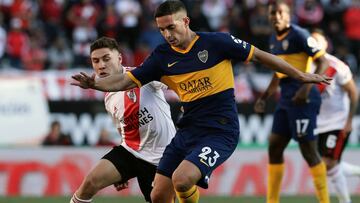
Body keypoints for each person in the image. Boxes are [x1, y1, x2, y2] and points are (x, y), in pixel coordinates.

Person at [71, 1, 331, 203]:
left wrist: (299, 74)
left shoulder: (218, 42)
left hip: (220, 129)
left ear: (185, 21)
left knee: (182, 180)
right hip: (188, 130)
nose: (167, 34)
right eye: (161, 29)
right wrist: (93, 84)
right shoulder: (162, 57)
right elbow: (125, 81)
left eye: (171, 27)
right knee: (158, 195)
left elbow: (262, 56)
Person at [70, 37, 176, 203]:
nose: (101, 65)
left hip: (163, 158)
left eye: (106, 59)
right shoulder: (108, 98)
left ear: (119, 59)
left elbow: (172, 82)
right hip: (131, 151)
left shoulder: (143, 75)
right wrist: (122, 172)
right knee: (89, 183)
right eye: (95, 61)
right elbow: (123, 130)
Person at [254, 1, 331, 203]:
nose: (276, 16)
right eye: (273, 13)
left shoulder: (299, 34)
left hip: (303, 97)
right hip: (286, 97)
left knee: (309, 151)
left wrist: (306, 89)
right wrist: (264, 97)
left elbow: (323, 61)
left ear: (288, 16)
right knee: (274, 146)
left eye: (280, 13)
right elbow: (278, 73)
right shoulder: (273, 39)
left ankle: (325, 201)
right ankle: (272, 201)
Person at [312, 30, 360, 203]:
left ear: (326, 43)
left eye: (318, 40)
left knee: (328, 163)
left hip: (337, 122)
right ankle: (356, 171)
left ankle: (345, 201)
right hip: (318, 124)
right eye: (312, 40)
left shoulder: (337, 66)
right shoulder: (307, 66)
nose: (315, 43)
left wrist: (348, 121)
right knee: (326, 166)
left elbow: (354, 93)